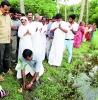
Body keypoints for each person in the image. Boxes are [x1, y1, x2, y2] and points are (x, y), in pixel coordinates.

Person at [0, 1, 13, 76]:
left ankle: (6, 69)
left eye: (8, 10)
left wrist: (10, 35)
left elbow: (9, 26)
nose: (7, 11)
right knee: (0, 58)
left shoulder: (8, 16)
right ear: (1, 7)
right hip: (0, 40)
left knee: (6, 57)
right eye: (5, 10)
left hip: (7, 39)